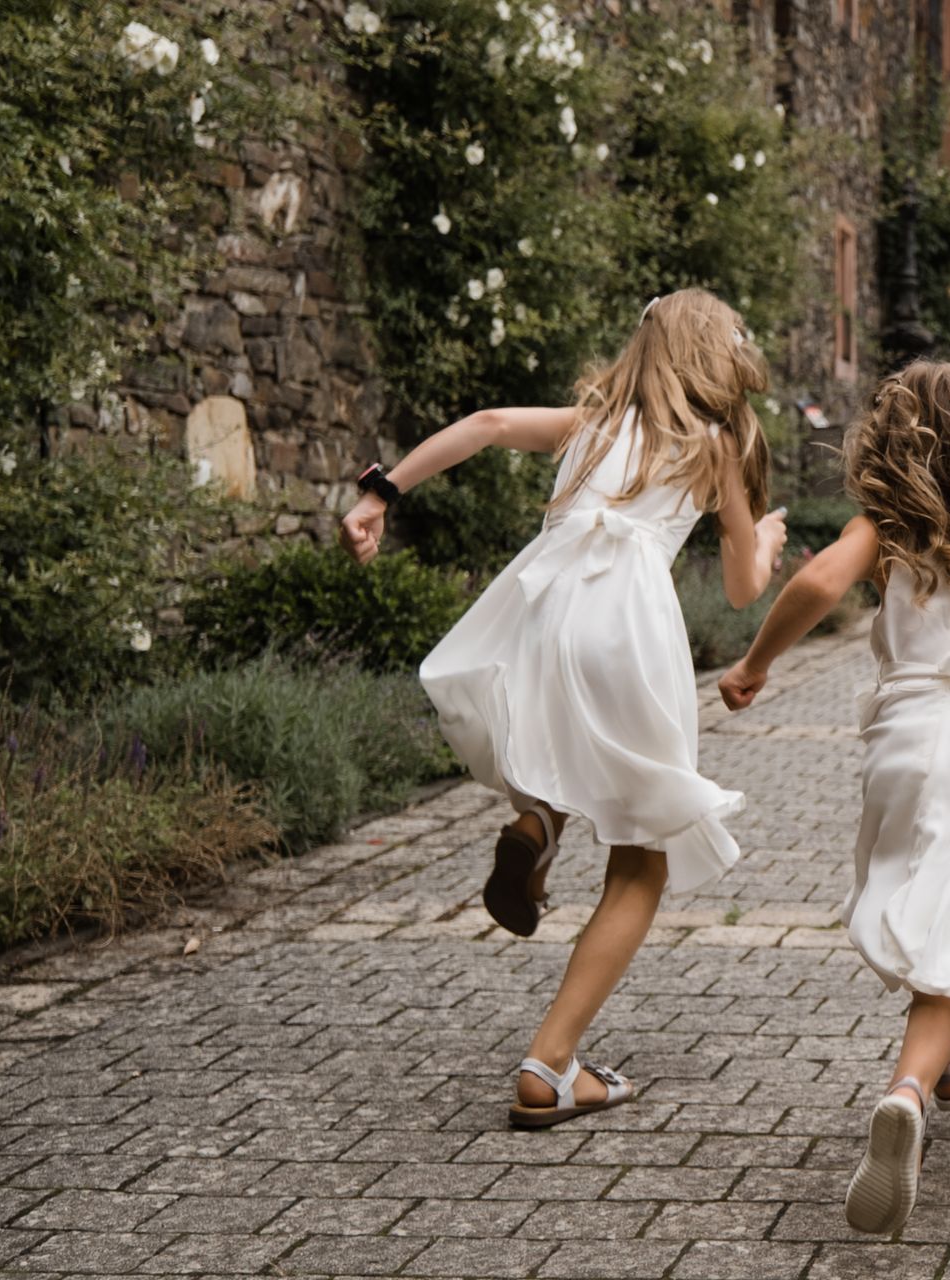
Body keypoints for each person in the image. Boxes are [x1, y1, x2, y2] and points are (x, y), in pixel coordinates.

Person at [338, 289, 790, 1127]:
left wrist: (380, 495)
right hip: (630, 627)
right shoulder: (717, 447)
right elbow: (739, 590)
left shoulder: (591, 420)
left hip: (545, 608)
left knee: (553, 739)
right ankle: (549, 1068)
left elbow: (484, 424)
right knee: (641, 861)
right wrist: (761, 541)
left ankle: (538, 822)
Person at [718, 362, 950, 1238]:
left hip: (902, 746)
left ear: (894, 447)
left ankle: (949, 1062)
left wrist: (754, 664)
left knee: (926, 906)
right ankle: (908, 1089)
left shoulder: (884, 531)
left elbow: (812, 585)